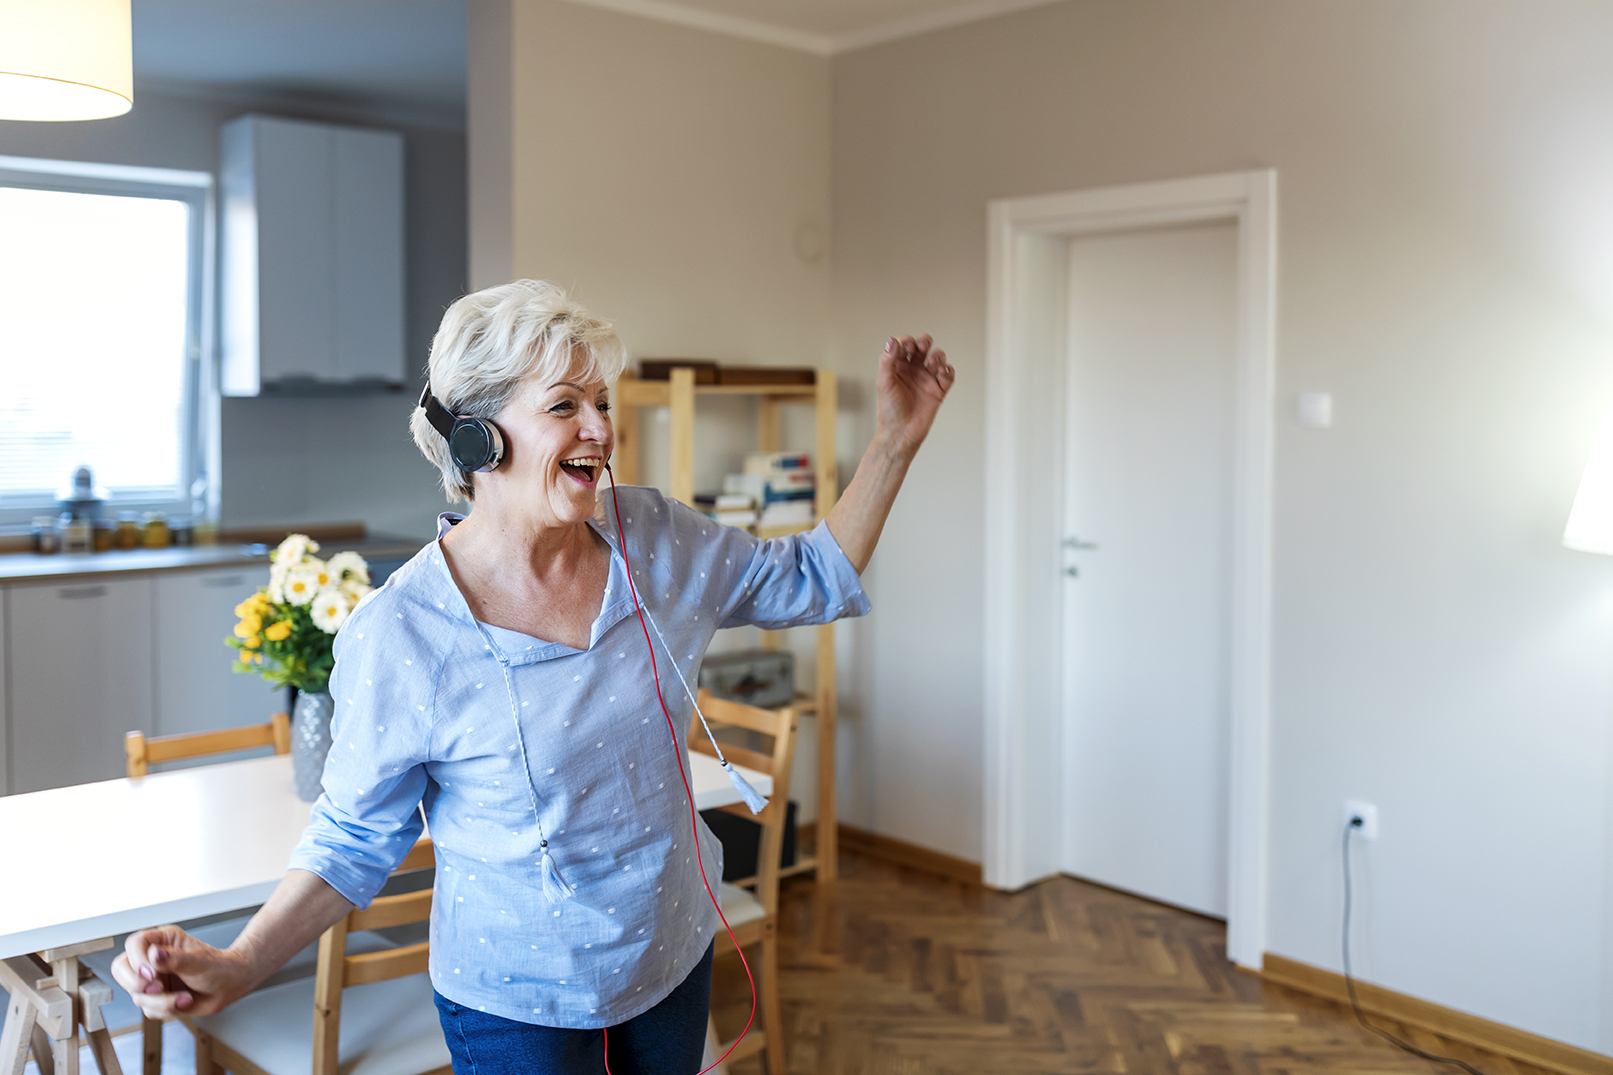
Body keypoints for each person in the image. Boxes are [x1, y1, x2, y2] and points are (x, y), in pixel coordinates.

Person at [111, 279, 954, 1074]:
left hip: (670, 952)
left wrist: (894, 441)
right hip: (519, 1004)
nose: (599, 428)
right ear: (479, 439)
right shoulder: (404, 629)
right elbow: (353, 838)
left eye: (602, 404)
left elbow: (810, 575)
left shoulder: (654, 538)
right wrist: (239, 961)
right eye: (564, 406)